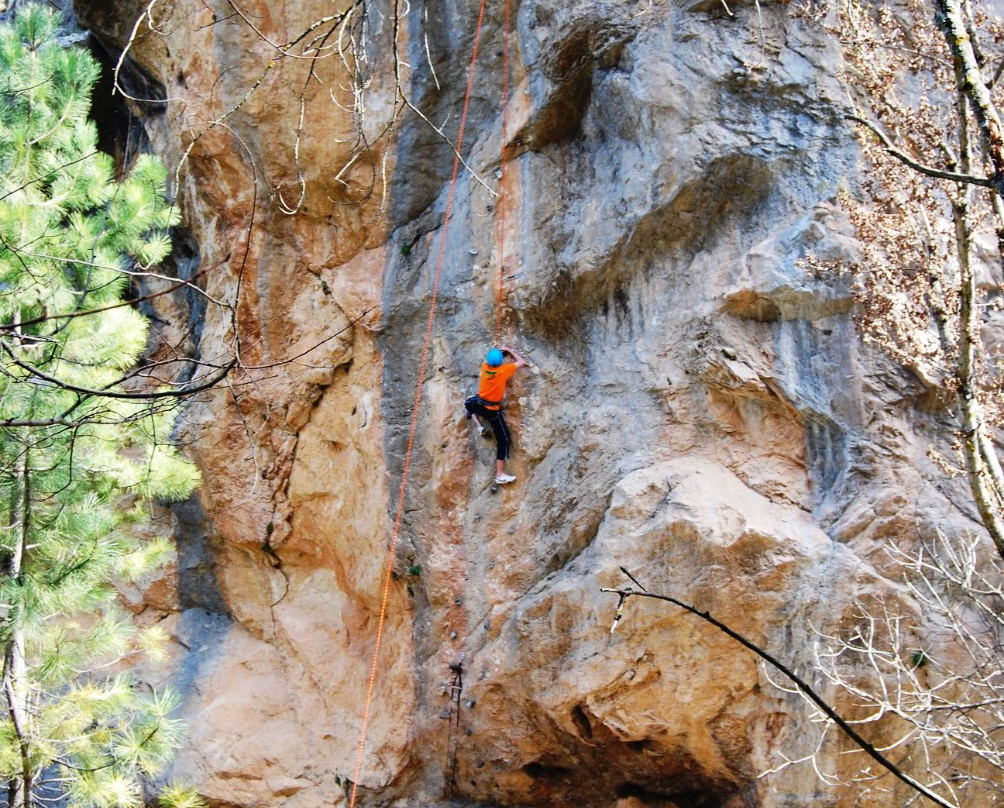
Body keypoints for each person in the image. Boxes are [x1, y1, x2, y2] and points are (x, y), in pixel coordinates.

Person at [464, 345, 527, 485]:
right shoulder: (503, 371)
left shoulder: (485, 367)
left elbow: (489, 360)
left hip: (478, 404)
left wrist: (497, 353)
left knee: (468, 403)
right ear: (501, 362)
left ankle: (479, 425)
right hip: (491, 410)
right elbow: (522, 362)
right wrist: (510, 350)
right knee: (503, 439)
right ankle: (500, 474)